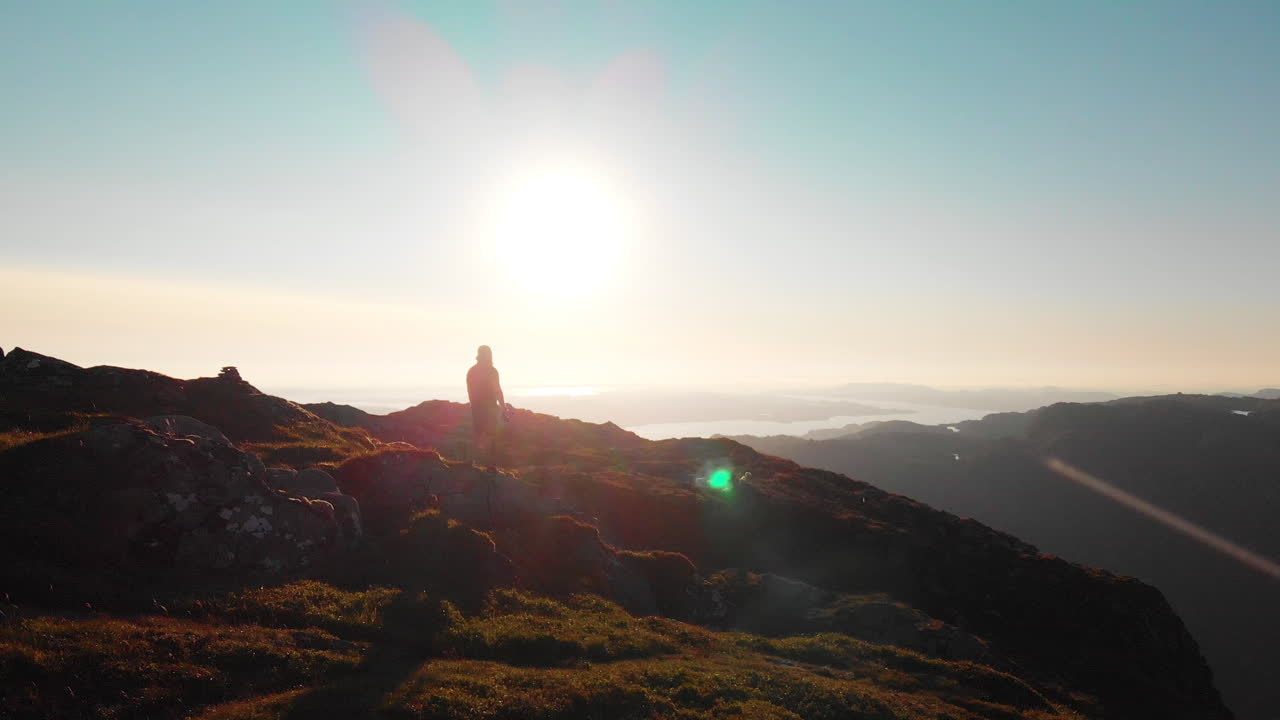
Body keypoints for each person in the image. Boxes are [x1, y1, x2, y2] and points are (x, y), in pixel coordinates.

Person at [466, 345, 507, 469]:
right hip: (490, 408)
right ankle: (491, 466)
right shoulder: (492, 371)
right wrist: (503, 407)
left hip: (477, 409)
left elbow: (470, 392)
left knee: (479, 435)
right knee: (491, 436)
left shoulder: (472, 371)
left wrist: (474, 405)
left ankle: (478, 465)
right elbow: (497, 390)